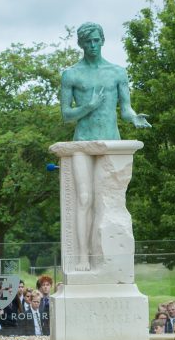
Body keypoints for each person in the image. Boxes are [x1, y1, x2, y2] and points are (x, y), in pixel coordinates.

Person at [59, 21, 150, 271]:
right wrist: (87, 107)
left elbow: (126, 107)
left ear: (103, 40)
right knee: (84, 197)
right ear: (80, 44)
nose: (92, 45)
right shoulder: (72, 74)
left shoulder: (117, 72)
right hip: (83, 141)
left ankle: (107, 257)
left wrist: (134, 117)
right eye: (87, 41)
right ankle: (83, 256)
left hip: (111, 140)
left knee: (108, 200)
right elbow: (66, 114)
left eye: (96, 40)